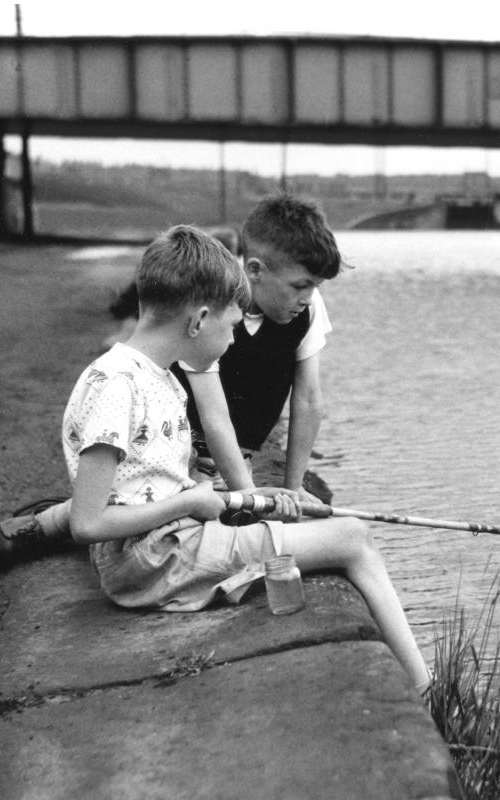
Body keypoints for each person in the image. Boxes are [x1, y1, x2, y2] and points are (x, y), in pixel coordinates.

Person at [34, 224, 431, 690]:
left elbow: (148, 482)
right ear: (199, 321)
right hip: (155, 560)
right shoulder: (119, 388)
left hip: (167, 544)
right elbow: (88, 524)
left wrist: (250, 497)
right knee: (354, 539)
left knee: (306, 523)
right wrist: (187, 504)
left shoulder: (152, 375)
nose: (233, 339)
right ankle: (424, 689)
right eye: (231, 325)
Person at [0, 195, 339, 570]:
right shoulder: (210, 303)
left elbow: (308, 400)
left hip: (227, 458)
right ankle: (48, 524)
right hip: (178, 453)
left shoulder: (307, 305)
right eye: (300, 285)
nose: (308, 297)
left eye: (314, 287)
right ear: (256, 270)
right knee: (167, 511)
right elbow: (214, 415)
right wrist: (247, 496)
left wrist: (293, 488)